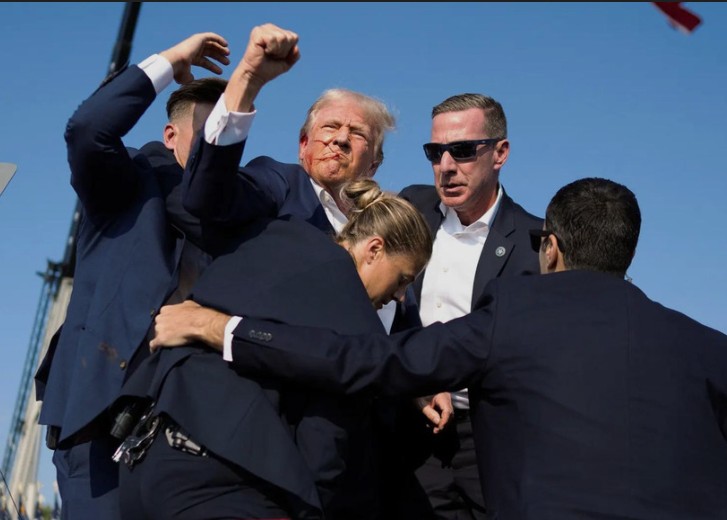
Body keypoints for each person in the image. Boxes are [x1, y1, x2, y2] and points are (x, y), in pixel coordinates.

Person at [155, 177, 727, 519]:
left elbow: (365, 362)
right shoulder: (708, 349)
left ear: (549, 248)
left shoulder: (514, 318)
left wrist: (223, 329)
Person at [115, 179, 433, 519]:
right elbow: (325, 444)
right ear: (374, 249)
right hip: (221, 486)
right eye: (403, 279)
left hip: (144, 458)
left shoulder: (275, 235)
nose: (400, 296)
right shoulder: (355, 320)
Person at [32, 31, 240, 519]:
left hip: (196, 434)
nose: (217, 146)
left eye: (227, 135)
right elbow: (88, 129)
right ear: (171, 137)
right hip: (102, 427)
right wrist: (170, 60)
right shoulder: (127, 184)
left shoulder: (238, 215)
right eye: (207, 131)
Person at [397, 93, 543, 519]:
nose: (446, 166)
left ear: (500, 153)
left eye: (462, 150)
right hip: (409, 434)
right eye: (435, 152)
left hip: (493, 443)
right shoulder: (410, 209)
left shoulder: (537, 244)